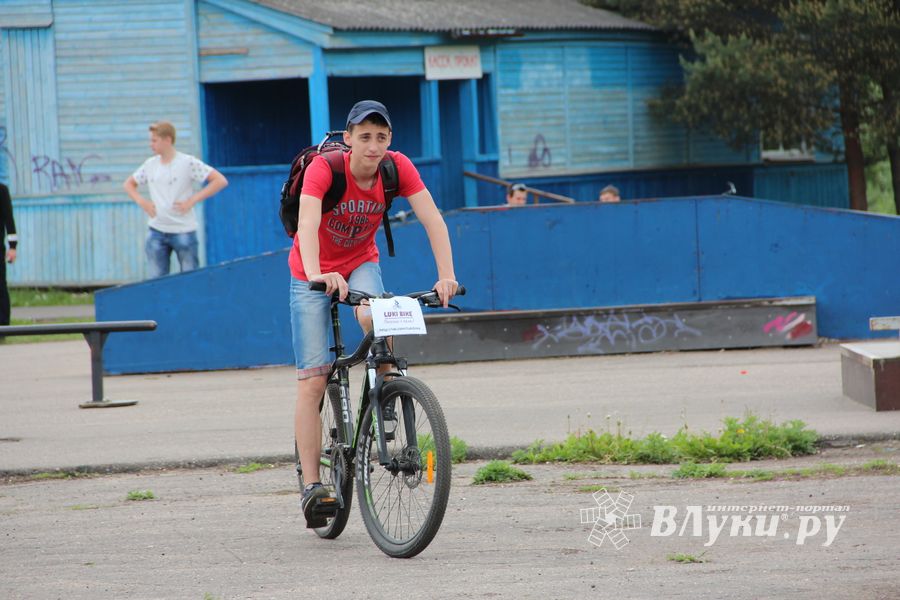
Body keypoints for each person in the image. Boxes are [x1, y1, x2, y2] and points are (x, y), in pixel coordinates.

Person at [290, 100, 458, 526]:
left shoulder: (396, 167)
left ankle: (387, 386)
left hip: (360, 261)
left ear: (390, 140)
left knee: (374, 316)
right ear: (348, 139)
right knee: (313, 380)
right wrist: (317, 273)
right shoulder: (325, 169)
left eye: (381, 137)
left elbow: (433, 219)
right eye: (364, 136)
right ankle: (313, 485)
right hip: (311, 269)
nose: (373, 145)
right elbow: (307, 225)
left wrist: (446, 277)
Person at [124, 121, 228, 278]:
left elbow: (220, 180)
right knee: (156, 281)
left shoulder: (187, 163)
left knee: (190, 279)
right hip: (157, 230)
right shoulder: (150, 165)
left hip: (183, 230)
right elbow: (129, 184)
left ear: (167, 140)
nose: (151, 144)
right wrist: (143, 202)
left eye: (154, 140)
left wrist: (192, 200)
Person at [0, 182, 17, 330]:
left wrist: (12, 247)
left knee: (1, 286)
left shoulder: (2, 190)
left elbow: (9, 219)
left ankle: (3, 326)